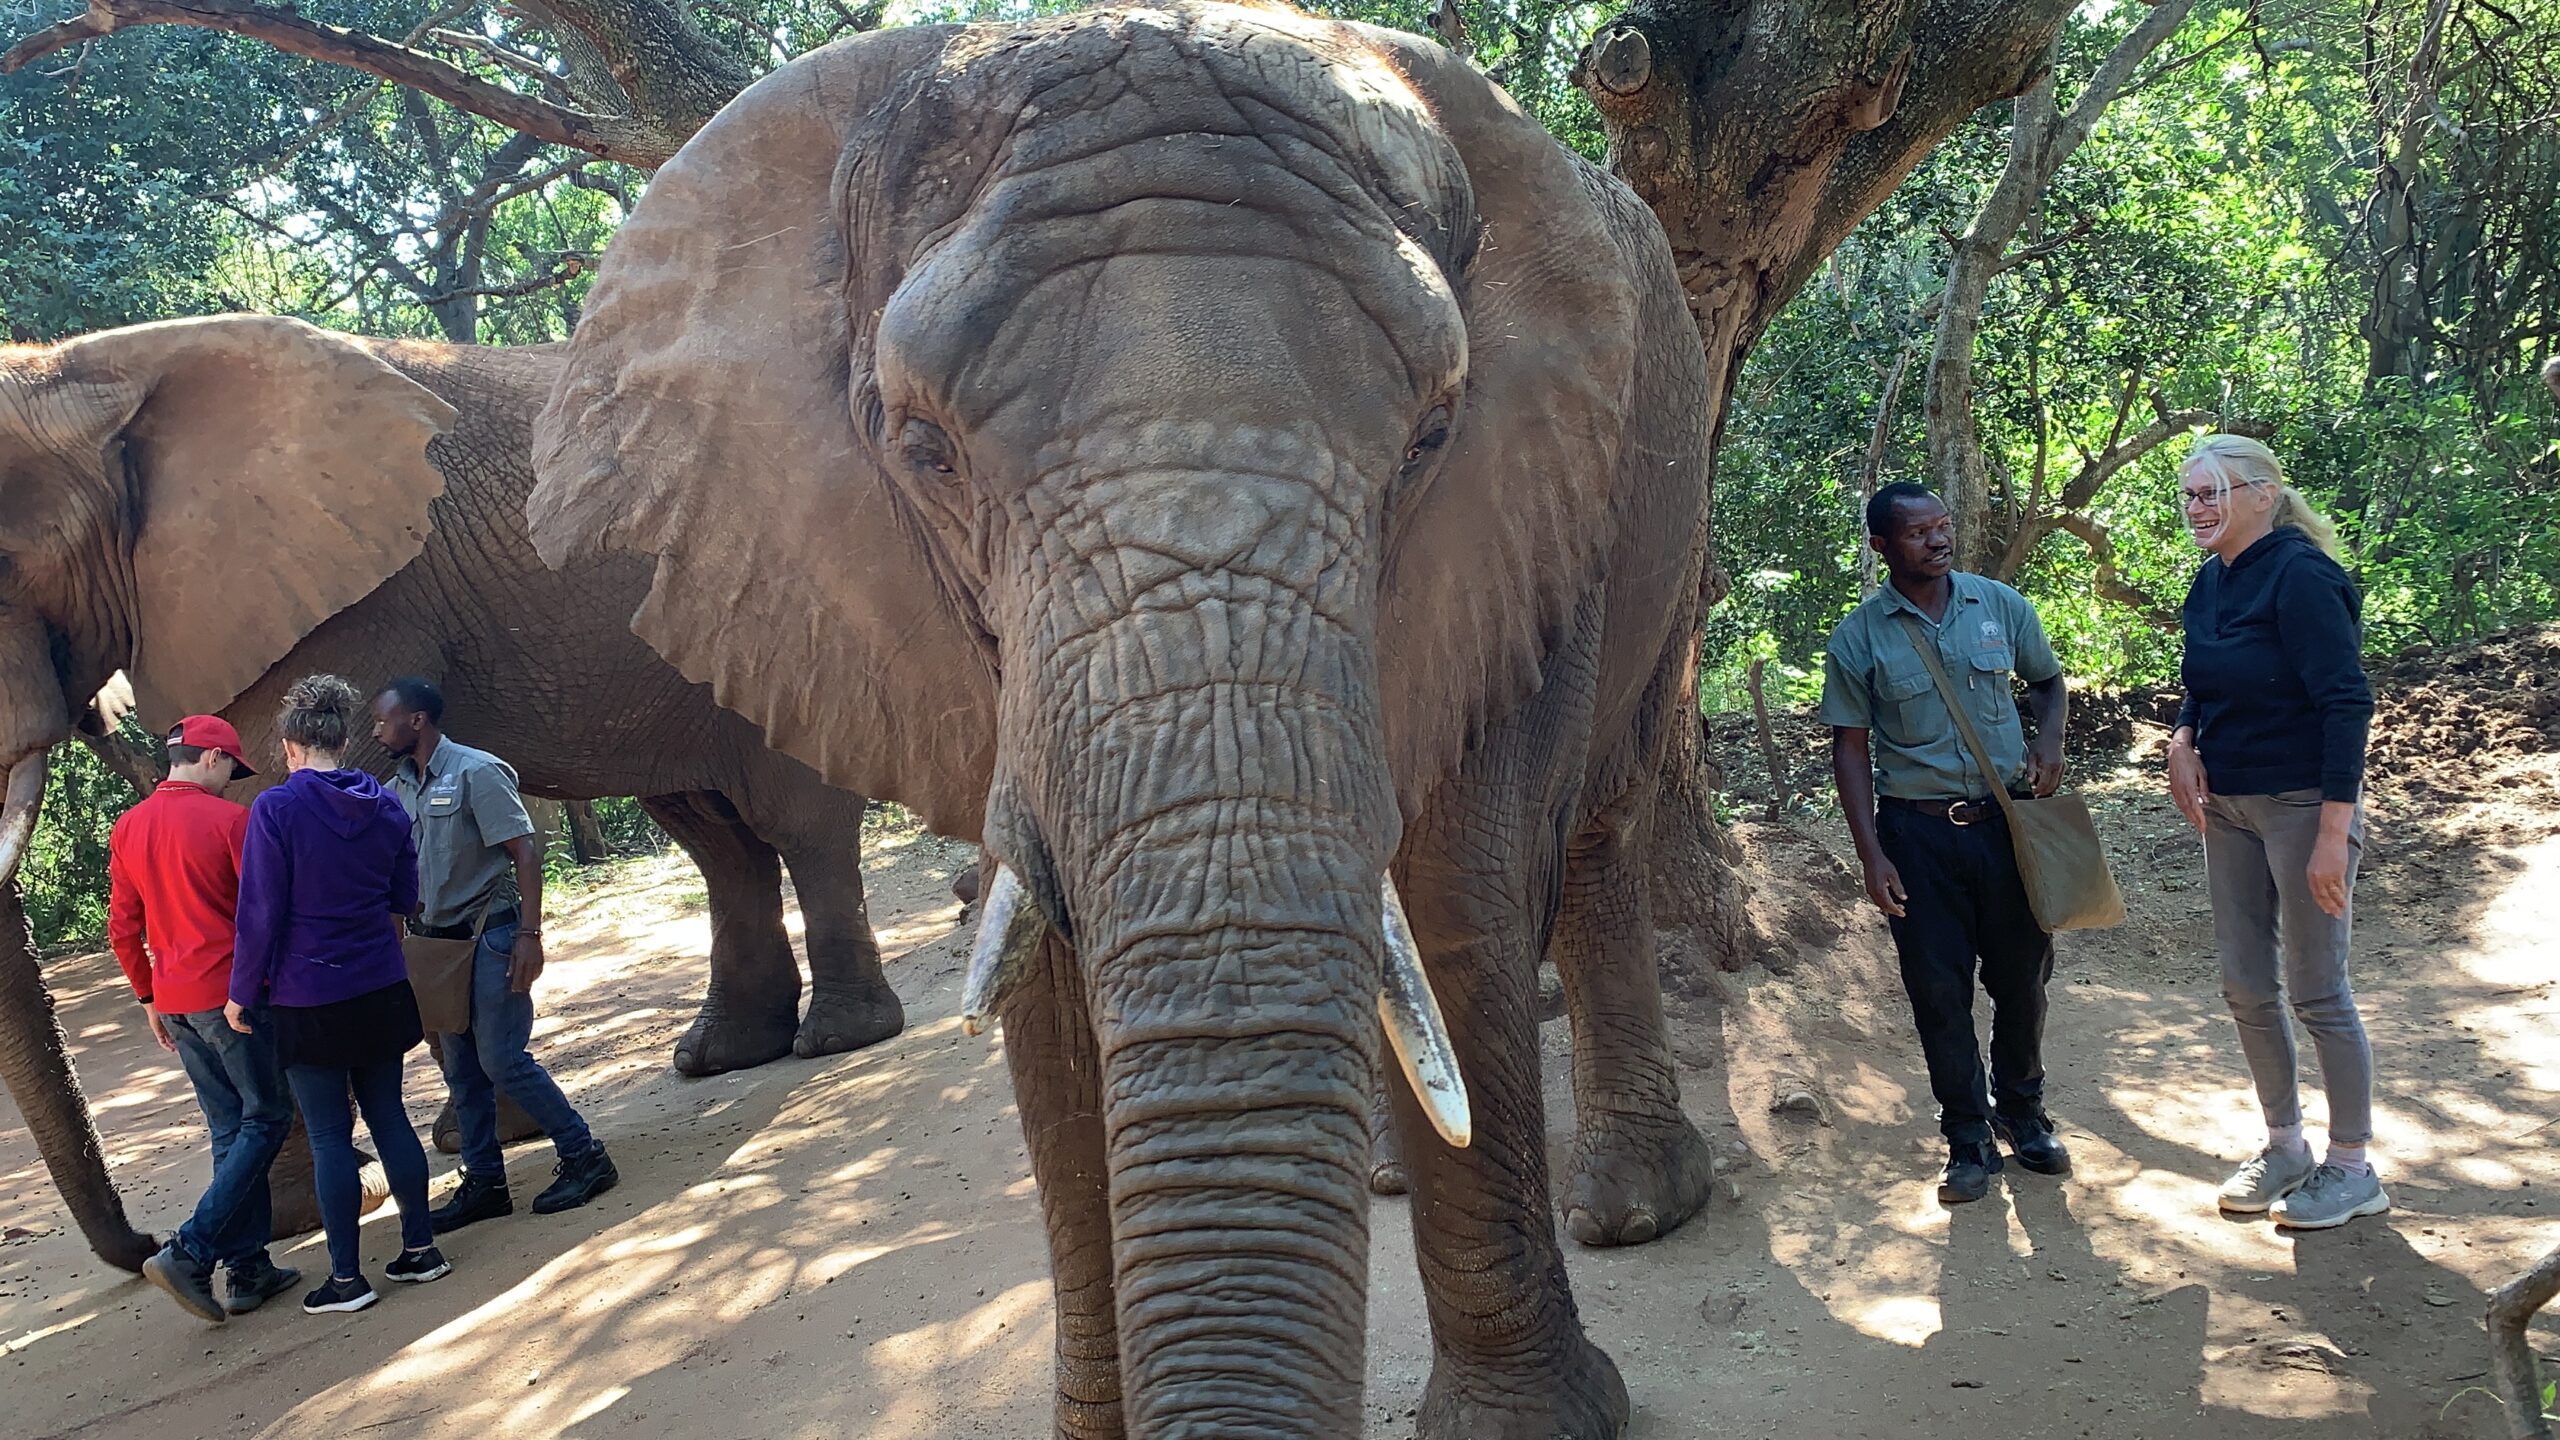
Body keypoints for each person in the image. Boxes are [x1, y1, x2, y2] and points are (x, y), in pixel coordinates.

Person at [1821, 482, 2072, 1204]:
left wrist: (2049, 742)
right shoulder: (1859, 637)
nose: (1938, 539)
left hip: (2008, 830)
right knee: (1938, 993)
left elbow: (2048, 684)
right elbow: (1850, 749)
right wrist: (1873, 855)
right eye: (1918, 532)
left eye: (1943, 526)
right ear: (1881, 547)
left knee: (2023, 982)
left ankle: (2024, 1116)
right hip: (1919, 836)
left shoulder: (1999, 605)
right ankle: (1966, 1138)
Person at [2167, 434, 2383, 1230]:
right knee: (2245, 984)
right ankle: (2285, 1146)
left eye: (2213, 492)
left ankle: (2353, 1167)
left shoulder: (2303, 578)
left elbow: (2345, 703)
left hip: (2301, 806)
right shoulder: (2210, 581)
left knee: (2318, 990)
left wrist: (2335, 831)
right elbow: (2202, 683)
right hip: (2227, 806)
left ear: (2262, 494)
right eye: (2190, 495)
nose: (2198, 508)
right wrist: (2183, 738)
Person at [228, 675, 451, 1314]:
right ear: (346, 740)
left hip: (308, 994)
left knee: (328, 1135)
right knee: (390, 1117)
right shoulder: (384, 803)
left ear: (291, 745)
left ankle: (347, 1280)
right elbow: (405, 897)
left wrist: (242, 992)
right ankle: (419, 1251)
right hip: (380, 984)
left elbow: (260, 912)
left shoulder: (275, 809)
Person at [373, 676, 616, 1227]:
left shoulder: (476, 771)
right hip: (439, 946)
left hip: (493, 934)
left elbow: (524, 853)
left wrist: (530, 936)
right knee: (459, 1066)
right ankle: (484, 1183)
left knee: (501, 1057)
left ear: (417, 721)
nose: (376, 730)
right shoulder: (400, 787)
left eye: (382, 720)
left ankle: (585, 1155)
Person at [111, 715, 299, 1322]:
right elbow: (261, 917)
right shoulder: (229, 821)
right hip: (233, 999)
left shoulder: (129, 827)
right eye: (231, 771)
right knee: (267, 1117)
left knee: (228, 1127)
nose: (232, 782)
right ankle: (191, 1250)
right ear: (212, 760)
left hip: (176, 1000)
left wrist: (148, 1000)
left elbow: (123, 928)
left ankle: (249, 1271)